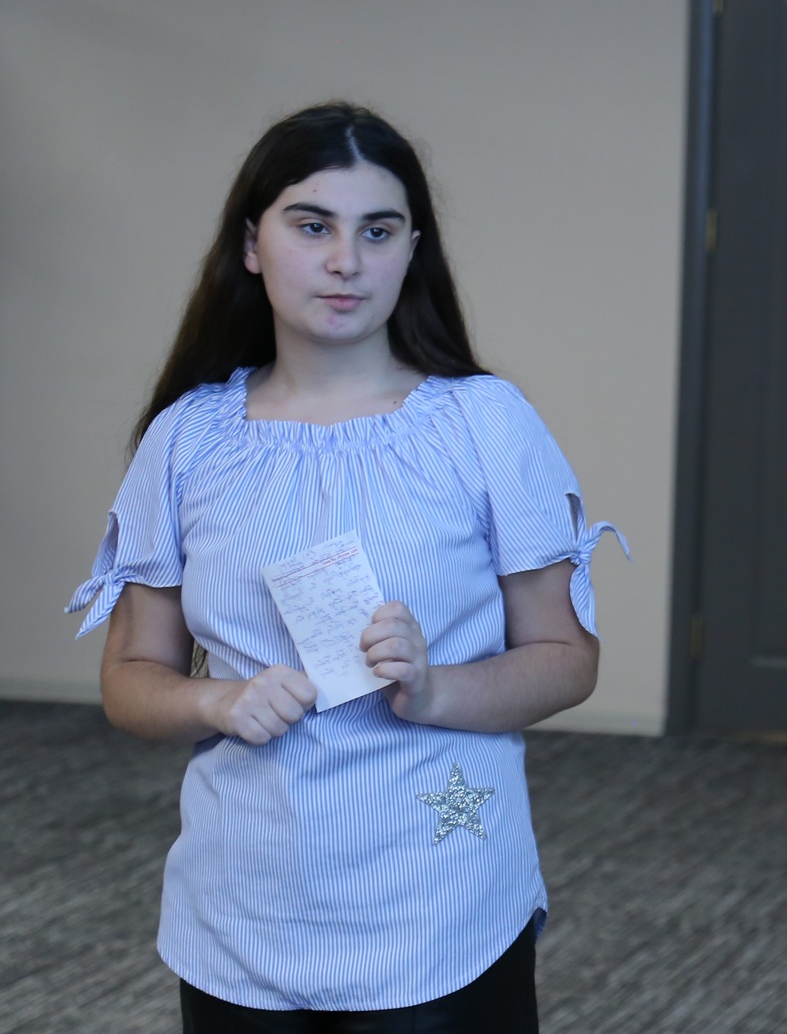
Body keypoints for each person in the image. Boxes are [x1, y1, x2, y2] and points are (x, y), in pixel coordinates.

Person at [68, 102, 621, 1032]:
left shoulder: (484, 423)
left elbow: (567, 658)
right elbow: (128, 676)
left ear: (412, 251)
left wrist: (435, 687)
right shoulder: (188, 438)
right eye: (312, 225)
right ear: (253, 244)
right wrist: (217, 702)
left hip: (441, 913)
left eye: (378, 230)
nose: (345, 261)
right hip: (240, 913)